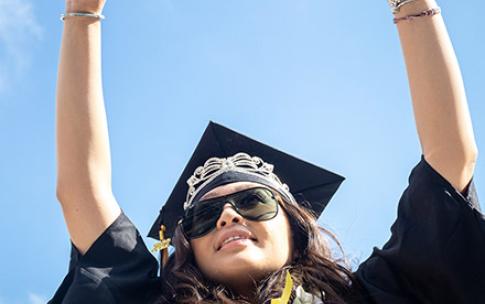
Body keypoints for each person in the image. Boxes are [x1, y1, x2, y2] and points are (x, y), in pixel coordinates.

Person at [49, 0, 483, 303]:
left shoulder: (369, 295)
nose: (228, 217)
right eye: (203, 217)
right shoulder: (150, 300)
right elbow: (82, 192)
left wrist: (410, 3)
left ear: (295, 227)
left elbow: (449, 161)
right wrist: (83, 12)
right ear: (188, 247)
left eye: (253, 201)